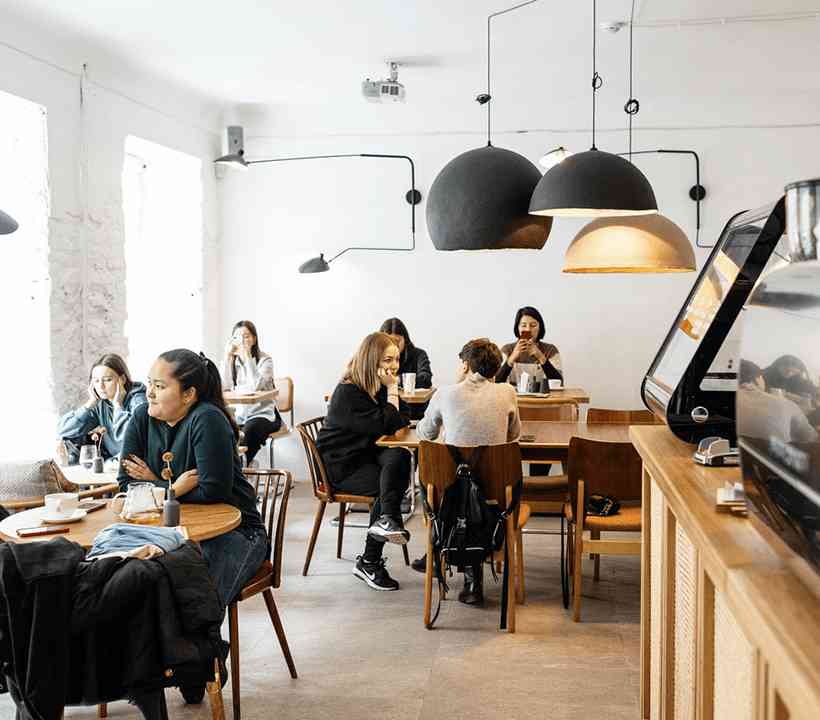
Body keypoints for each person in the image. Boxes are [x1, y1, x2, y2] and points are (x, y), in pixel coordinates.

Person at [118, 348, 267, 611]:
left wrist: (155, 486)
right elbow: (126, 485)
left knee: (194, 604)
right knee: (124, 579)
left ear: (189, 394)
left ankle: (202, 652)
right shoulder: (142, 416)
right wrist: (173, 488)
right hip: (170, 532)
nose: (149, 392)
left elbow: (213, 492)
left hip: (234, 533)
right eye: (150, 383)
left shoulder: (207, 418)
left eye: (160, 386)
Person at [416, 338, 521, 605]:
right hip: (496, 499)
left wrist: (455, 387)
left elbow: (425, 434)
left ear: (465, 365)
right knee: (476, 491)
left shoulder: (444, 393)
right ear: (495, 369)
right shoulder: (507, 393)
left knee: (427, 482)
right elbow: (514, 436)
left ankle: (437, 544)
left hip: (450, 498)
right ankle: (471, 577)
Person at [316, 332, 412, 591]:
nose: (394, 366)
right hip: (341, 466)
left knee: (400, 455)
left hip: (363, 454)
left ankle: (387, 519)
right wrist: (393, 390)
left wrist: (391, 396)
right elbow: (386, 422)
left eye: (396, 360)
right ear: (372, 360)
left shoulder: (373, 387)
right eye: (388, 359)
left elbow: (402, 418)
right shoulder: (349, 392)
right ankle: (369, 562)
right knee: (388, 486)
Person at [57, 353, 147, 462]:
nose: (101, 386)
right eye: (96, 381)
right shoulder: (101, 403)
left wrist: (118, 406)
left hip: (135, 464)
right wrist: (90, 403)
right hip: (114, 463)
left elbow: (133, 439)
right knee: (69, 439)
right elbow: (63, 430)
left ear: (122, 379)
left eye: (107, 380)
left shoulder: (138, 400)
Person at [220, 320, 282, 465]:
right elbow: (224, 386)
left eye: (246, 336)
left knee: (249, 431)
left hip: (264, 414)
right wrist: (227, 357)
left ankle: (244, 465)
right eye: (237, 337)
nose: (242, 341)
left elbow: (256, 387)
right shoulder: (233, 361)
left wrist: (247, 356)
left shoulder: (265, 360)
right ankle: (243, 465)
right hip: (239, 415)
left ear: (254, 339)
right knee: (219, 429)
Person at [379, 317, 433, 420]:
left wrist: (395, 380)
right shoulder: (378, 357)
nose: (394, 345)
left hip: (415, 412)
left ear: (405, 339)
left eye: (397, 341)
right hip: (384, 412)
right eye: (389, 341)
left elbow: (426, 379)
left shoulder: (419, 354)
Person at [495, 306, 562, 388]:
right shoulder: (507, 350)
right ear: (517, 328)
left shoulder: (551, 350)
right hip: (513, 399)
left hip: (543, 399)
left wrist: (540, 356)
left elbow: (559, 383)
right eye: (523, 325)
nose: (528, 330)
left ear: (540, 328)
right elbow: (495, 383)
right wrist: (512, 358)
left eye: (533, 325)